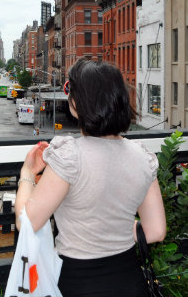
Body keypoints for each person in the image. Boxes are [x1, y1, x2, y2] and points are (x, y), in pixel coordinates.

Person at [15, 59, 166, 297]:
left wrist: (27, 174)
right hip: (130, 281)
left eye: (69, 89)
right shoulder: (143, 157)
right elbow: (156, 231)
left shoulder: (69, 156)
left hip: (77, 283)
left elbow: (26, 223)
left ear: (76, 103)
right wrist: (113, 229)